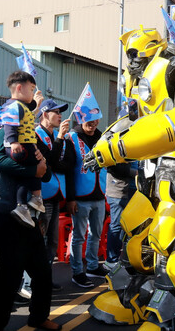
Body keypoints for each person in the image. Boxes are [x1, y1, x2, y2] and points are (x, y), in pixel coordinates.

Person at [0, 125, 61, 330]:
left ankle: (39, 317)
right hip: (8, 217)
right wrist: (32, 169)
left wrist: (42, 164)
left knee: (43, 273)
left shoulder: (32, 136)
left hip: (31, 218)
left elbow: (45, 175)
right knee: (8, 280)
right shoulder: (5, 133)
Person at [35, 98, 75, 290]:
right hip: (41, 196)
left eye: (61, 112)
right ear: (44, 114)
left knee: (52, 242)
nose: (60, 115)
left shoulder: (59, 136)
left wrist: (59, 141)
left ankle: (45, 278)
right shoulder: (36, 135)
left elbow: (68, 163)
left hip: (57, 194)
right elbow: (49, 161)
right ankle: (35, 281)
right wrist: (59, 140)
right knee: (40, 241)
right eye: (56, 112)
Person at [66, 119, 108, 287]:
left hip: (99, 194)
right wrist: (70, 198)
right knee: (78, 236)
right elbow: (68, 170)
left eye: (96, 118)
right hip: (80, 197)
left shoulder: (103, 137)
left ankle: (92, 266)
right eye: (88, 119)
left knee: (96, 234)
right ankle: (77, 272)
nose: (93, 122)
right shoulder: (72, 138)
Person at [4, 71, 45, 228]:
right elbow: (9, 124)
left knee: (31, 170)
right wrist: (13, 141)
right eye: (32, 89)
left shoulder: (21, 107)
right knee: (31, 169)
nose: (33, 93)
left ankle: (31, 200)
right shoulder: (14, 106)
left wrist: (36, 104)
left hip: (27, 144)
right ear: (20, 88)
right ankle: (30, 200)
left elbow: (27, 117)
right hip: (20, 145)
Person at [104, 162, 137, 269]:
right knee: (117, 226)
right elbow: (114, 166)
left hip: (134, 191)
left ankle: (123, 259)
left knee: (128, 227)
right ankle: (111, 261)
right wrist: (137, 173)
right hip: (118, 191)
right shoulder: (115, 145)